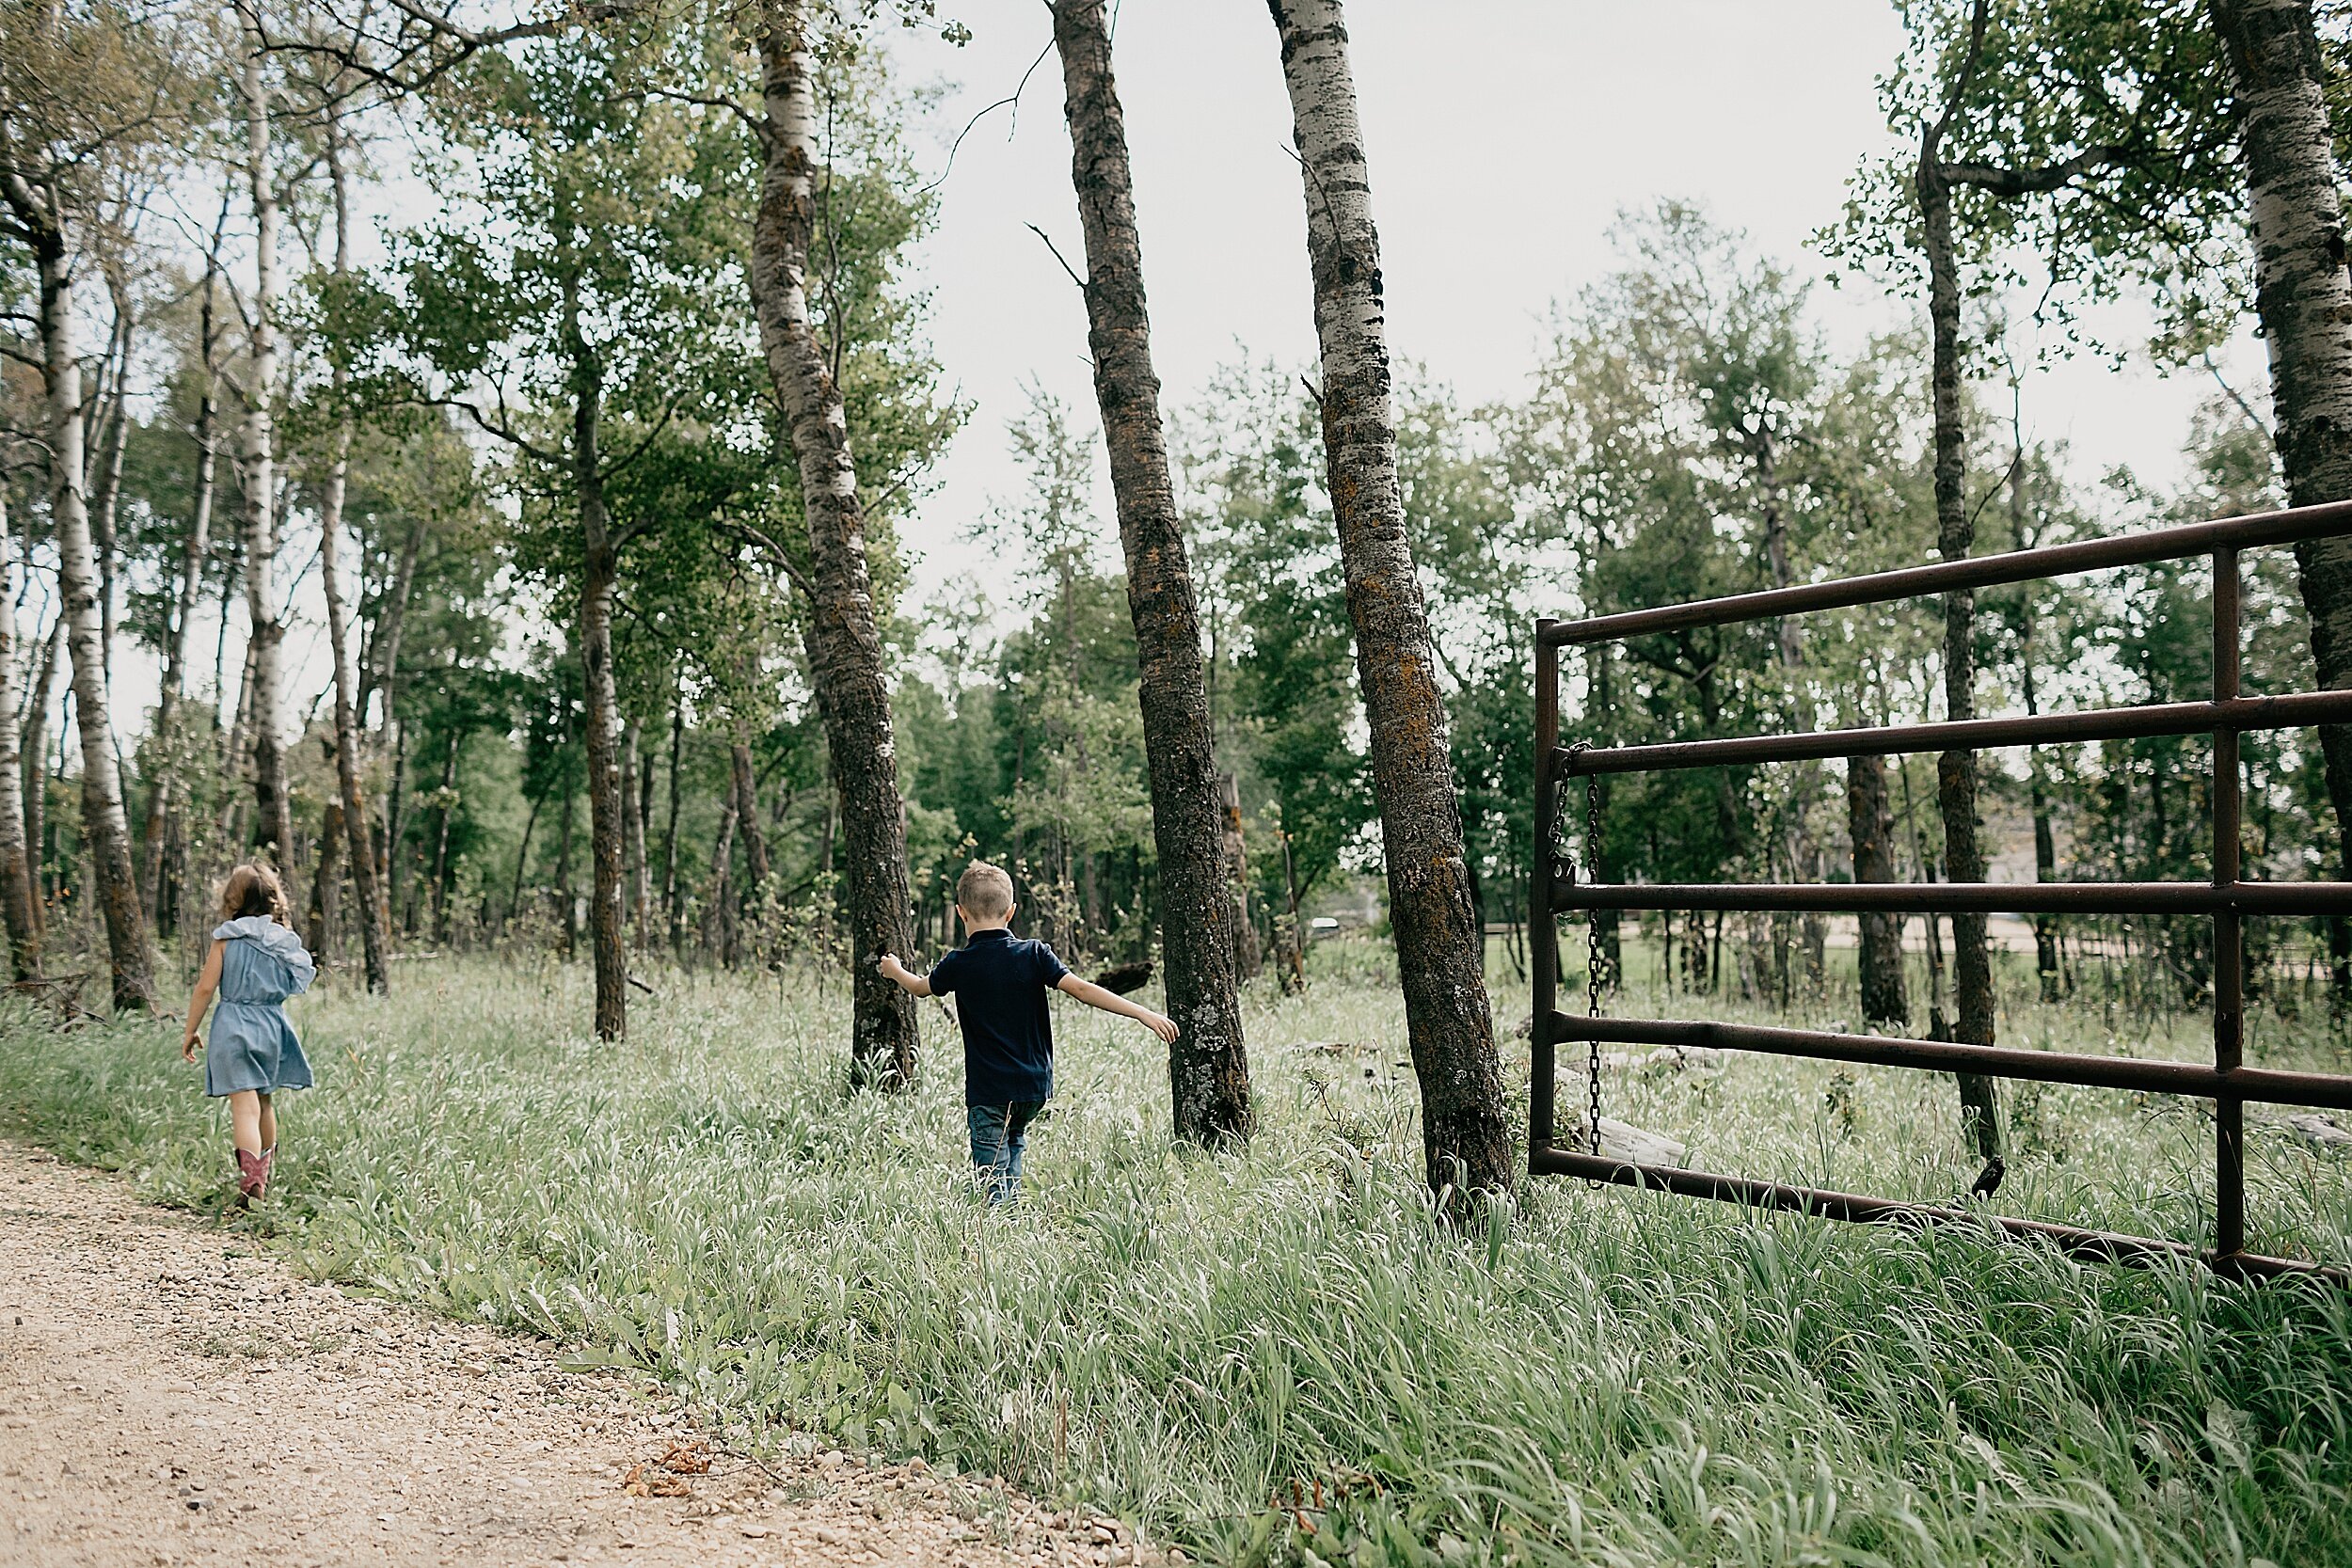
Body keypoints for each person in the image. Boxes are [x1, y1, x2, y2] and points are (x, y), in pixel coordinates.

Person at [878, 860, 1177, 1205]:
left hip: (989, 1090)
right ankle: (1014, 1219)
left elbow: (918, 987)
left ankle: (1001, 1231)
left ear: (961, 913)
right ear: (1011, 912)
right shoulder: (1034, 953)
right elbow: (1081, 989)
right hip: (1032, 1088)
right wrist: (1141, 1011)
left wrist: (895, 968)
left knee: (992, 1176)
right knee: (1013, 1150)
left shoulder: (958, 963)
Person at [182, 863, 316, 1205]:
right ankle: (262, 1179)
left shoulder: (227, 939)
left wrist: (191, 1029)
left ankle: (249, 1182)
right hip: (272, 1026)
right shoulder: (283, 943)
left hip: (233, 1026)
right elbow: (294, 983)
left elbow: (205, 989)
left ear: (232, 898)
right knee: (265, 1103)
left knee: (244, 1107)